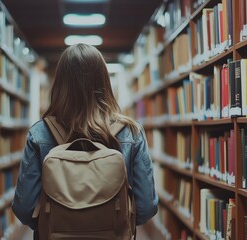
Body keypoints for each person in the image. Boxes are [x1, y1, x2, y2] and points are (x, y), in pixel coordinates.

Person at [12, 43, 158, 238]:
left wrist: (53, 225)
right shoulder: (130, 132)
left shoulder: (40, 133)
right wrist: (117, 223)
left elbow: (24, 208)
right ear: (103, 81)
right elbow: (147, 206)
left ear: (60, 83)